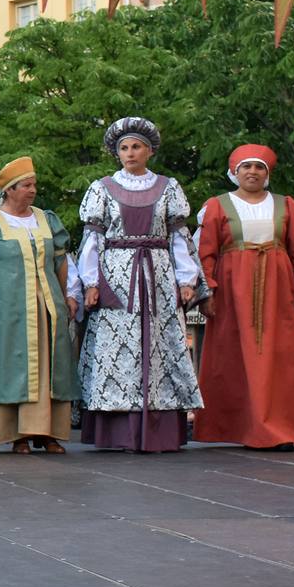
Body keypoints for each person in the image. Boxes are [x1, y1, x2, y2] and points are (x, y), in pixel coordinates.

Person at [76, 117, 204, 453]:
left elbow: (178, 236)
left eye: (136, 147)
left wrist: (186, 279)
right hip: (117, 275)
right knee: (117, 347)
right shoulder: (101, 188)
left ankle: (160, 430)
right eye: (124, 148)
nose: (129, 153)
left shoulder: (168, 187)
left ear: (149, 151)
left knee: (162, 346)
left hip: (158, 275)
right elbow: (92, 239)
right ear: (117, 152)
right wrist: (91, 282)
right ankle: (118, 431)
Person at [192, 145, 294, 450]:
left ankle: (281, 429)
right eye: (245, 167)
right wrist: (206, 291)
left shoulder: (287, 205)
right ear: (234, 172)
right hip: (232, 290)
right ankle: (242, 427)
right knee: (235, 358)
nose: (252, 172)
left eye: (259, 167)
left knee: (283, 358)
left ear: (268, 173)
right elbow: (205, 253)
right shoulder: (217, 206)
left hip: (278, 288)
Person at [0, 156, 81, 453]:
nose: (32, 190)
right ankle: (18, 434)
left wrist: (70, 294)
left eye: (34, 184)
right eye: (26, 185)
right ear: (9, 190)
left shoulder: (46, 219)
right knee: (12, 368)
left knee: (50, 369)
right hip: (7, 312)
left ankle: (47, 432)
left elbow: (61, 261)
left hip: (47, 309)